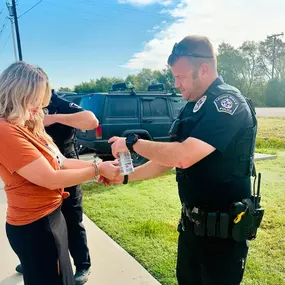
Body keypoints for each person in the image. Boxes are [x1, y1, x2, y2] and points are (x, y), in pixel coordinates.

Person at [107, 35, 261, 285]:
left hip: (223, 237)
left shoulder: (228, 103)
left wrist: (132, 143)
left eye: (180, 77)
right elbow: (168, 159)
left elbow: (184, 156)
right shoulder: (192, 107)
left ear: (204, 69)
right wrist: (125, 176)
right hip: (191, 229)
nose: (177, 84)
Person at [0, 61, 119, 285]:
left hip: (52, 217)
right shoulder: (4, 130)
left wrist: (98, 165)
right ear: (18, 94)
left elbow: (61, 162)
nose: (38, 109)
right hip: (34, 226)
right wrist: (96, 170)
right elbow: (49, 178)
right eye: (34, 102)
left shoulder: (27, 126)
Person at [16, 90, 97, 285]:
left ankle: (82, 265)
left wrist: (52, 118)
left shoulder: (59, 103)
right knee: (43, 222)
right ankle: (32, 261)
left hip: (65, 166)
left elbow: (91, 121)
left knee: (72, 219)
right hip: (35, 170)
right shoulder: (22, 105)